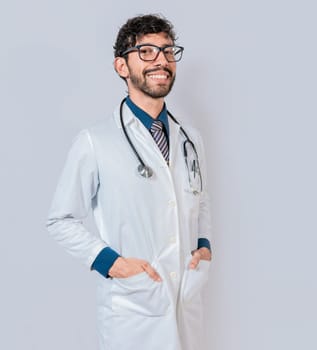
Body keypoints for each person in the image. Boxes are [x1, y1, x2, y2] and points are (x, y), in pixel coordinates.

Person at [46, 14, 212, 350]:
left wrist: (204, 246)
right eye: (147, 52)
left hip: (186, 302)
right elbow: (60, 220)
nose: (161, 61)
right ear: (122, 67)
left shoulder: (189, 139)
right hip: (134, 308)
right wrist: (113, 264)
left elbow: (201, 199)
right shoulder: (95, 141)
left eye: (167, 52)